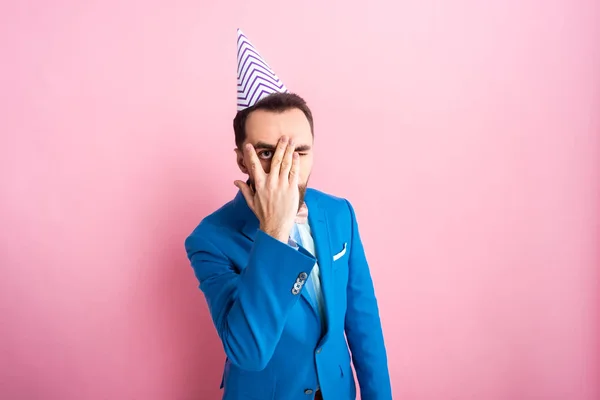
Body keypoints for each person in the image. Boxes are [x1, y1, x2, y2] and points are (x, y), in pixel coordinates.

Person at [184, 29, 392, 400]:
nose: (287, 169)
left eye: (300, 151)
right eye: (267, 153)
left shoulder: (339, 213)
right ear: (240, 158)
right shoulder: (209, 240)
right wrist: (274, 231)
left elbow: (364, 326)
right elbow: (248, 351)